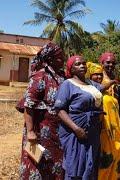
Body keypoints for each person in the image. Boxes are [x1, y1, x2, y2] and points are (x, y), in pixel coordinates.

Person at [19, 42, 65, 179]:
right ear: (50, 59)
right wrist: (31, 131)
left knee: (55, 165)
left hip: (56, 132)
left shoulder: (61, 76)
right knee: (37, 164)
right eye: (60, 57)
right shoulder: (40, 76)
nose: (62, 59)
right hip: (40, 131)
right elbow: (29, 105)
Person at [54, 55, 103, 180]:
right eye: (77, 64)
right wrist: (76, 129)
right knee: (76, 167)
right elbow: (60, 110)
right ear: (71, 69)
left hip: (92, 131)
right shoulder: (67, 84)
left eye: (83, 63)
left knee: (90, 166)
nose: (82, 65)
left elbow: (104, 88)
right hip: (75, 133)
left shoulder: (91, 84)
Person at [98, 52, 120, 179]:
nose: (110, 65)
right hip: (104, 121)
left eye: (113, 63)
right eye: (107, 62)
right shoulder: (98, 78)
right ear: (102, 63)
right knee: (106, 152)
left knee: (117, 148)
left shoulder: (116, 78)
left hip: (116, 121)